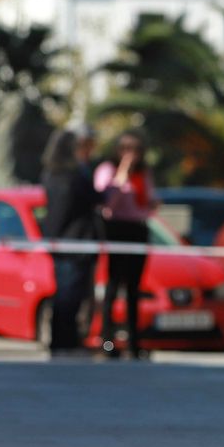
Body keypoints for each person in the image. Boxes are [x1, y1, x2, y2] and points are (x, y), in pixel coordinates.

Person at [94, 129, 155, 359]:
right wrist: (122, 175)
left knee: (133, 288)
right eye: (126, 149)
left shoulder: (144, 174)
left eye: (136, 150)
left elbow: (147, 202)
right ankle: (107, 339)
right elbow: (107, 204)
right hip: (116, 229)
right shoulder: (107, 170)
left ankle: (133, 341)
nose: (132, 155)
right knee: (113, 285)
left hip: (137, 230)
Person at [40, 126, 100, 356]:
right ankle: (63, 343)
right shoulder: (70, 176)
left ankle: (66, 341)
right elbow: (67, 209)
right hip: (73, 243)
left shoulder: (54, 174)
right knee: (68, 296)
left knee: (69, 295)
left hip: (68, 243)